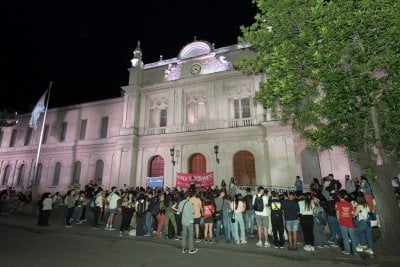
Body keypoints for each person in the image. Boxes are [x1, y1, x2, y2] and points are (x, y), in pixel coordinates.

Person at [335, 191, 361, 255]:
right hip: (350, 223)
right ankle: (355, 251)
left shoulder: (338, 203)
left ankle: (347, 251)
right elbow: (352, 213)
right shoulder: (349, 204)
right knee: (353, 237)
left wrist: (338, 221)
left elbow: (337, 213)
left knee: (345, 238)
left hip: (342, 223)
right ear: (345, 196)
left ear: (339, 196)